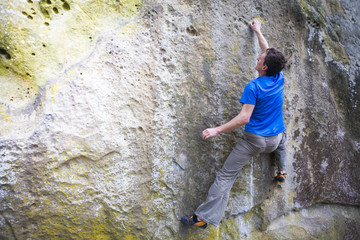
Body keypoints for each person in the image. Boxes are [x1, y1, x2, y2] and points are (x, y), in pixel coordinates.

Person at [181, 19, 287, 229]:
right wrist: (258, 32)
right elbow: (268, 52)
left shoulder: (254, 86)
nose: (258, 56)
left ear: (264, 67)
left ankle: (204, 218)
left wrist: (216, 130)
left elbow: (244, 118)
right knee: (284, 134)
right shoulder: (279, 77)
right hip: (274, 141)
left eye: (261, 58)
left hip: (254, 141)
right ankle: (282, 170)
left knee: (225, 176)